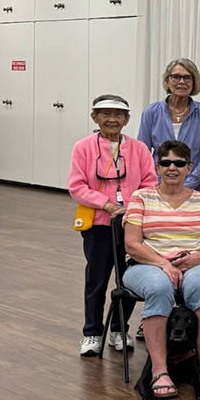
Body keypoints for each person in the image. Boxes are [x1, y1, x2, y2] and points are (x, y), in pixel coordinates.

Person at [122, 140, 200, 396]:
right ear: (157, 167)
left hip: (194, 263)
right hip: (146, 264)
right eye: (166, 163)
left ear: (189, 168)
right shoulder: (141, 197)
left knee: (199, 285)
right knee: (159, 287)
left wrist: (199, 257)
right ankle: (159, 370)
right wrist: (163, 264)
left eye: (179, 163)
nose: (172, 168)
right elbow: (132, 244)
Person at [68, 95, 157, 356]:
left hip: (131, 224)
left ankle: (119, 329)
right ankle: (92, 333)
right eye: (105, 114)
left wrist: (134, 208)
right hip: (98, 225)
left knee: (128, 280)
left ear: (127, 119)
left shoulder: (139, 149)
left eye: (118, 115)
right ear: (94, 117)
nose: (112, 119)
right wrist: (106, 205)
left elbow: (150, 183)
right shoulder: (83, 147)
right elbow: (77, 186)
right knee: (96, 279)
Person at [137, 58, 200, 193]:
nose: (181, 82)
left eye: (187, 78)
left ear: (194, 82)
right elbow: (142, 153)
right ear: (167, 81)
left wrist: (189, 184)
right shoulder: (151, 111)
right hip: (158, 188)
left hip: (196, 189)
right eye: (176, 77)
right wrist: (160, 182)